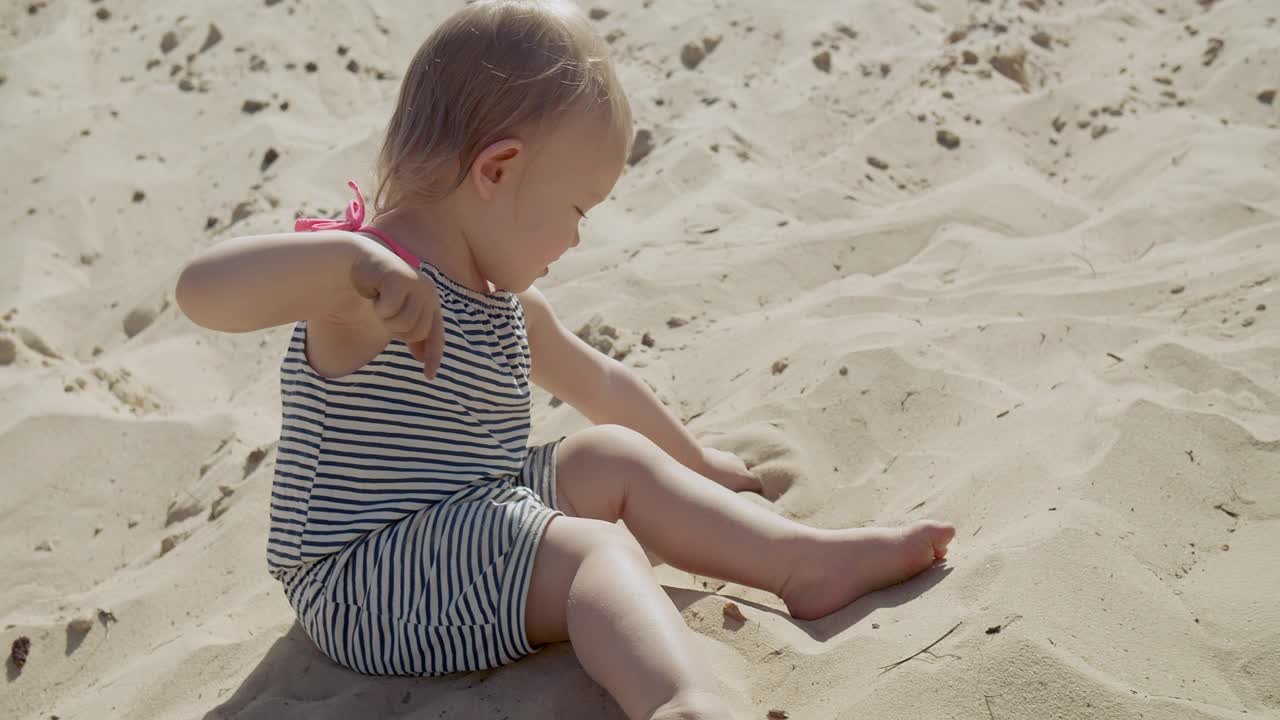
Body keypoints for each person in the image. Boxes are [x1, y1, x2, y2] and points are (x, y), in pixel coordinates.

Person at [174, 2, 955, 718]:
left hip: (465, 515)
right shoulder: (365, 287)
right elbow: (200, 292)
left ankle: (800, 565)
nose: (577, 239)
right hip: (366, 580)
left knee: (609, 456)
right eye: (577, 210)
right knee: (597, 552)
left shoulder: (500, 303)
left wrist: (698, 461)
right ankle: (680, 701)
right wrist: (349, 264)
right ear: (498, 170)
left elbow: (602, 383)